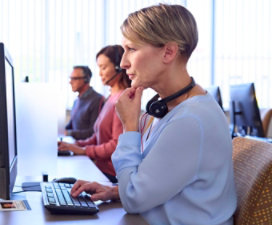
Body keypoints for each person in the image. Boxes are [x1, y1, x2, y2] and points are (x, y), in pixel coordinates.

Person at [71, 4, 237, 225]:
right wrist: (114, 191)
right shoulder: (171, 108)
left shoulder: (191, 120)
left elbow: (134, 199)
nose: (123, 63)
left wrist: (129, 127)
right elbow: (156, 183)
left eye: (131, 49)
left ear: (168, 52)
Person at [58, 45, 131, 183]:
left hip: (110, 175)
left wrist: (85, 151)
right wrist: (75, 145)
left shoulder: (123, 100)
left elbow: (116, 145)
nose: (100, 73)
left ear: (119, 67)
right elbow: (97, 137)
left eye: (103, 67)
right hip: (99, 168)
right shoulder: (110, 98)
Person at [65, 66, 104, 140]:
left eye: (74, 78)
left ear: (86, 79)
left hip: (86, 148)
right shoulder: (76, 101)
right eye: (70, 78)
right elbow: (70, 125)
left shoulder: (97, 100)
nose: (70, 82)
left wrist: (69, 133)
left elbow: (94, 132)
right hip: (74, 145)